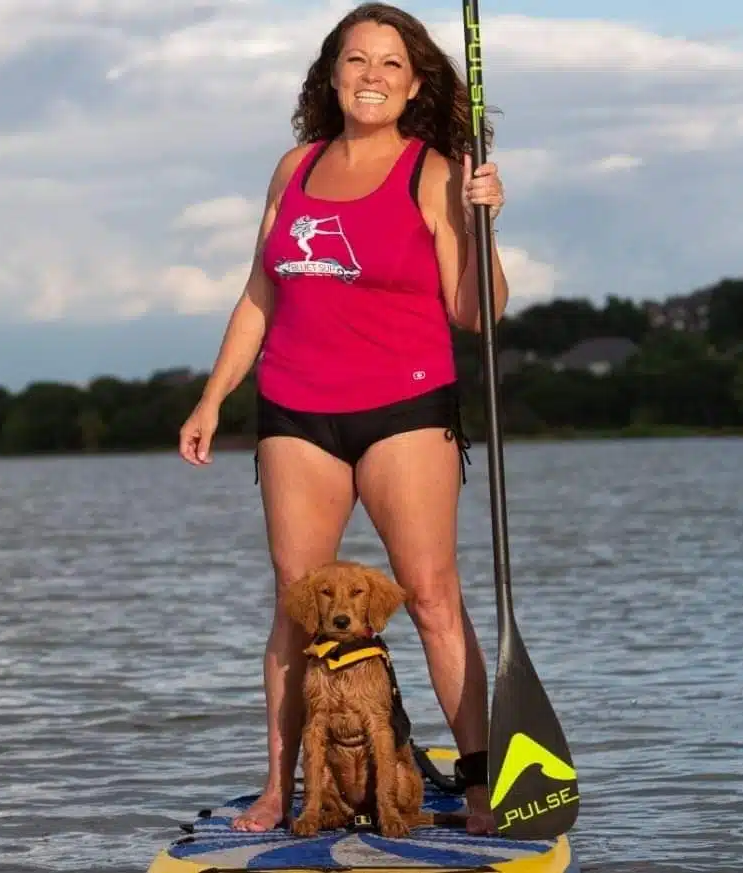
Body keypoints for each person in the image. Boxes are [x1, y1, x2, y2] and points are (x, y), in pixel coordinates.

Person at [179, 2, 509, 837]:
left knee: (430, 596)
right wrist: (213, 396)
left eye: (391, 63)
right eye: (356, 59)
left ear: (415, 84)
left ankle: (478, 782)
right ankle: (279, 788)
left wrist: (483, 226)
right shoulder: (294, 168)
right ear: (331, 74)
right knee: (296, 605)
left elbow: (476, 312)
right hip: (295, 408)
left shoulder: (435, 172)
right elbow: (261, 292)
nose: (372, 76)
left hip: (405, 406)